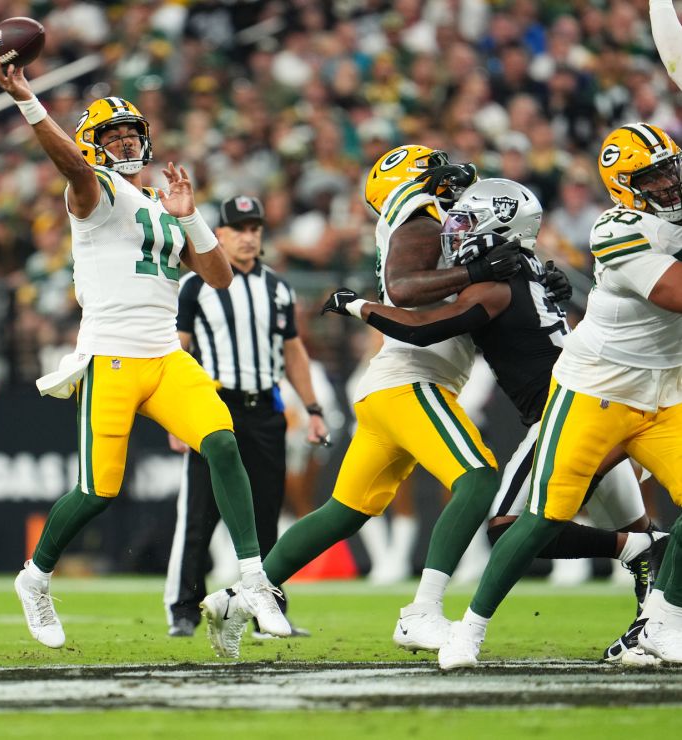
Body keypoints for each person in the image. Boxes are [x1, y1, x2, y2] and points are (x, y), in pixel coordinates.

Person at [0, 58, 291, 650]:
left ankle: (254, 578)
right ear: (92, 146)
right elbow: (71, 164)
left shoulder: (158, 199)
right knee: (98, 492)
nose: (124, 142)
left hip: (164, 354)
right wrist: (28, 101)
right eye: (111, 136)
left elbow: (220, 276)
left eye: (131, 134)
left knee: (223, 443)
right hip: (112, 357)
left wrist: (192, 216)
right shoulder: (94, 191)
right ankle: (35, 577)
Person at [323, 177, 667, 663]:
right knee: (644, 540)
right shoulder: (525, 274)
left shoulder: (500, 285)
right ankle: (648, 627)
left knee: (508, 530)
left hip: (565, 417)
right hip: (598, 404)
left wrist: (356, 304)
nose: (456, 229)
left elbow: (424, 328)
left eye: (466, 220)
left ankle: (636, 561)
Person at [202, 145, 521, 659]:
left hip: (393, 386)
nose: (447, 182)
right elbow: (407, 287)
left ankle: (241, 598)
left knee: (343, 513)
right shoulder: (417, 220)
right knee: (480, 476)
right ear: (405, 186)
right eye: (431, 173)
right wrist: (478, 273)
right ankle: (423, 611)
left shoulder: (426, 224)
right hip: (411, 380)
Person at [438, 123, 682, 669]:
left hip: (667, 392)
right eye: (653, 176)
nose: (668, 183)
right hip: (598, 390)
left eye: (671, 169)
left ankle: (660, 624)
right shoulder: (617, 227)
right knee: (542, 518)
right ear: (625, 186)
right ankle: (467, 631)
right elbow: (675, 293)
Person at [162, 194, 329, 639]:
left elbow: (292, 350)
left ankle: (266, 612)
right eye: (240, 229)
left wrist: (312, 408)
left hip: (266, 409)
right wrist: (176, 417)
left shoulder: (277, 286)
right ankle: (184, 609)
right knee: (199, 514)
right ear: (219, 235)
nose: (249, 237)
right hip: (214, 408)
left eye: (256, 229)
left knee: (266, 516)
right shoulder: (196, 286)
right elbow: (177, 353)